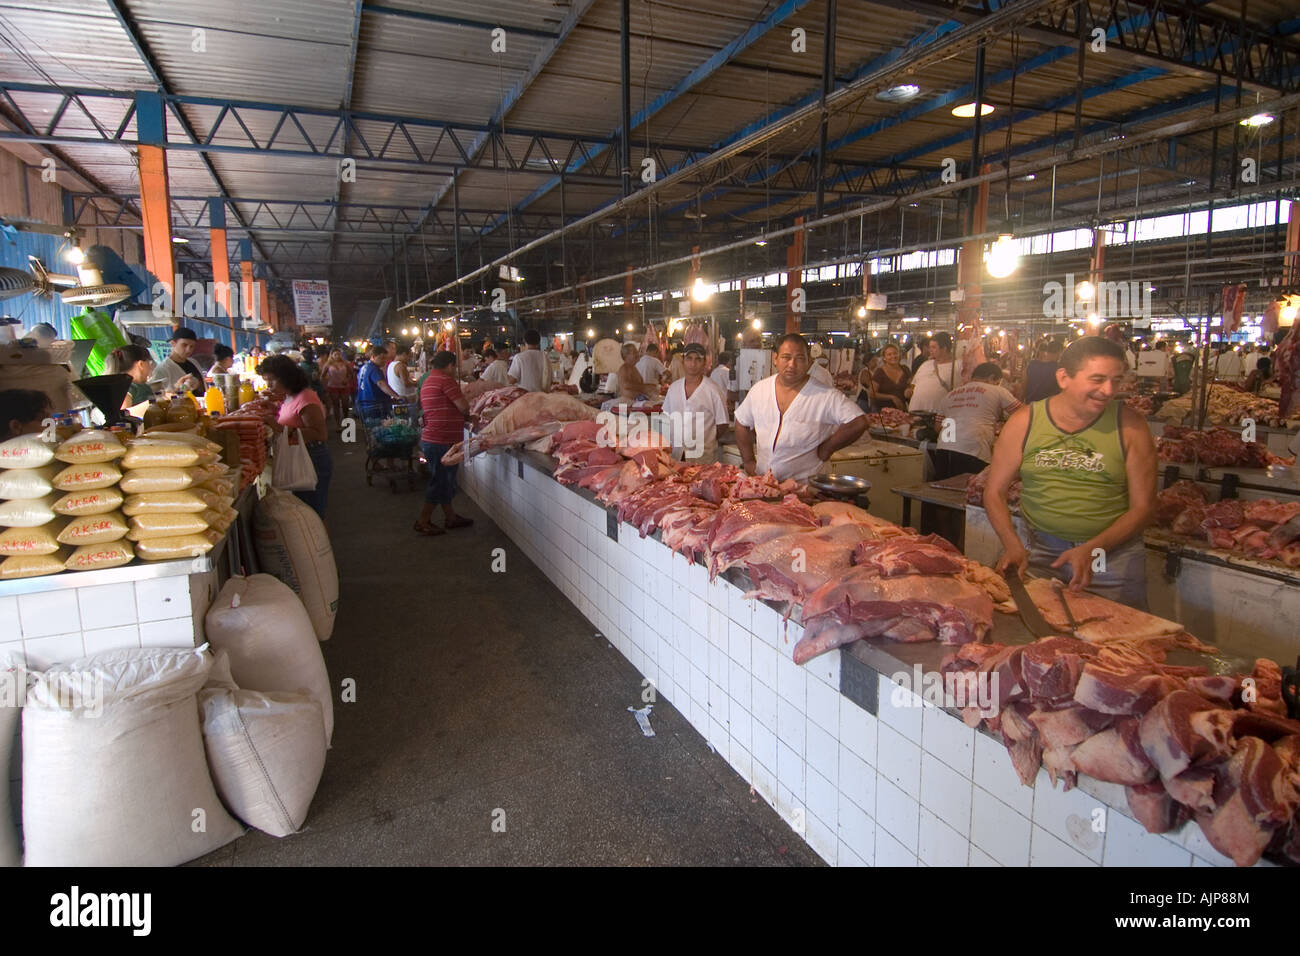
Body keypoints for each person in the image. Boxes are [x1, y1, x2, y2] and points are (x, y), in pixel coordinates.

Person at [984, 336, 1157, 609]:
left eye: (1116, 380)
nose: (1108, 390)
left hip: (1110, 558)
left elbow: (1143, 507)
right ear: (1064, 378)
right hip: (1038, 552)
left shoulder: (1131, 427)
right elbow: (994, 492)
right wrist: (1012, 544)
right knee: (1038, 637)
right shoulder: (1024, 422)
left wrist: (1093, 549)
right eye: (1097, 379)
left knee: (1117, 644)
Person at [733, 333, 868, 482]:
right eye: (786, 357)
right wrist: (748, 461)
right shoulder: (760, 389)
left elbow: (858, 422)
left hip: (805, 487)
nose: (792, 364)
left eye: (800, 358)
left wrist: (827, 449)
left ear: (809, 361)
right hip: (765, 485)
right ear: (775, 359)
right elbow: (741, 423)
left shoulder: (825, 395)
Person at [256, 354, 332, 520]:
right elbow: (294, 419)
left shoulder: (306, 399)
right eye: (266, 380)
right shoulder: (290, 396)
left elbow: (320, 434)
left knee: (313, 513)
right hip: (300, 456)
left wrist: (279, 428)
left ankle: (318, 545)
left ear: (286, 377)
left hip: (312, 458)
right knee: (304, 510)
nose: (268, 385)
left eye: (272, 380)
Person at [414, 350, 473, 536]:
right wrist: (469, 410)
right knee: (440, 481)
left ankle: (451, 516)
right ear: (450, 366)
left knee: (445, 479)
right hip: (441, 440)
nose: (455, 370)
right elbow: (463, 406)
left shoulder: (429, 379)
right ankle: (423, 520)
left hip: (433, 438)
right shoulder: (446, 381)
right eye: (454, 366)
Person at [932, 362, 1021, 480]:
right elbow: (1023, 415)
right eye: (998, 382)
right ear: (992, 378)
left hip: (943, 449)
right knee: (970, 492)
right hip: (973, 450)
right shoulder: (997, 390)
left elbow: (938, 427)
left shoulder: (950, 394)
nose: (998, 384)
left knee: (941, 491)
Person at [661, 343, 729, 464]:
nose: (693, 364)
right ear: (683, 361)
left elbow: (722, 424)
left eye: (698, 359)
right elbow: (666, 417)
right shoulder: (674, 388)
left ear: (704, 362)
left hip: (703, 458)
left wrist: (707, 438)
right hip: (676, 455)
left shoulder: (713, 390)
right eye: (689, 359)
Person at [908, 332, 956, 412]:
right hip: (915, 412)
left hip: (939, 415)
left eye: (933, 347)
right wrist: (909, 390)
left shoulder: (957, 366)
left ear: (944, 349)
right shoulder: (925, 364)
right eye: (929, 347)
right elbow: (913, 385)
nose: (930, 350)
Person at [153, 327, 206, 395]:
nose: (188, 350)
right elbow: (156, 395)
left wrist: (198, 384)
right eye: (184, 345)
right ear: (173, 343)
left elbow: (204, 387)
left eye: (191, 346)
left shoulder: (194, 362)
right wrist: (176, 389)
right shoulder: (162, 369)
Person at [356, 345, 401, 421]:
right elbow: (381, 384)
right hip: (374, 405)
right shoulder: (374, 369)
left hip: (364, 404)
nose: (384, 361)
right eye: (381, 358)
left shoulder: (364, 367)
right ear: (373, 357)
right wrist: (396, 396)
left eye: (385, 358)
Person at [870, 343, 911, 413]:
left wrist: (909, 390)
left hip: (901, 411)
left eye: (895, 353)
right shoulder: (880, 372)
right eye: (889, 354)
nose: (893, 356)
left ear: (899, 354)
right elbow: (871, 393)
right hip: (883, 411)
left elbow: (911, 384)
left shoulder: (905, 369)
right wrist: (892, 397)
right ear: (884, 358)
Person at [321, 349, 352, 423]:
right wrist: (326, 383)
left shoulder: (345, 363)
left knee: (345, 404)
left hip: (344, 386)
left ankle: (346, 420)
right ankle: (338, 423)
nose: (337, 356)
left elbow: (350, 374)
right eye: (335, 354)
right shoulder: (328, 364)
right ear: (332, 355)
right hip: (333, 386)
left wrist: (347, 380)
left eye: (339, 354)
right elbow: (322, 376)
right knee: (336, 405)